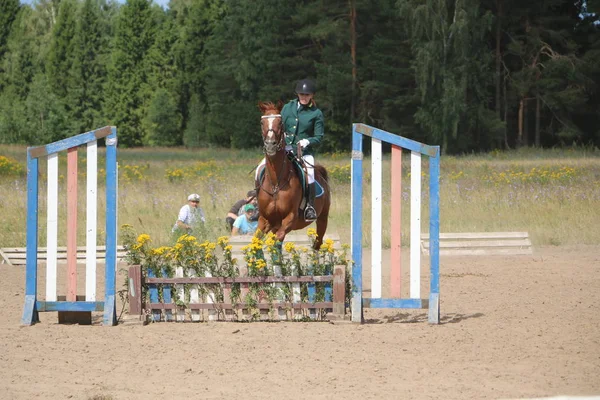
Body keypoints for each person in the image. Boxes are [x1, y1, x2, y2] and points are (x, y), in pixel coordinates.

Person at [255, 78, 324, 221]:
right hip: (284, 148)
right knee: (260, 167)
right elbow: (279, 124)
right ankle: (258, 200)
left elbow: (319, 137)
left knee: (310, 173)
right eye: (302, 95)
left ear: (312, 96)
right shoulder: (288, 107)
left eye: (307, 95)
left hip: (303, 152)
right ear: (297, 95)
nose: (304, 97)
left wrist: (307, 141)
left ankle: (310, 206)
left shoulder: (316, 113)